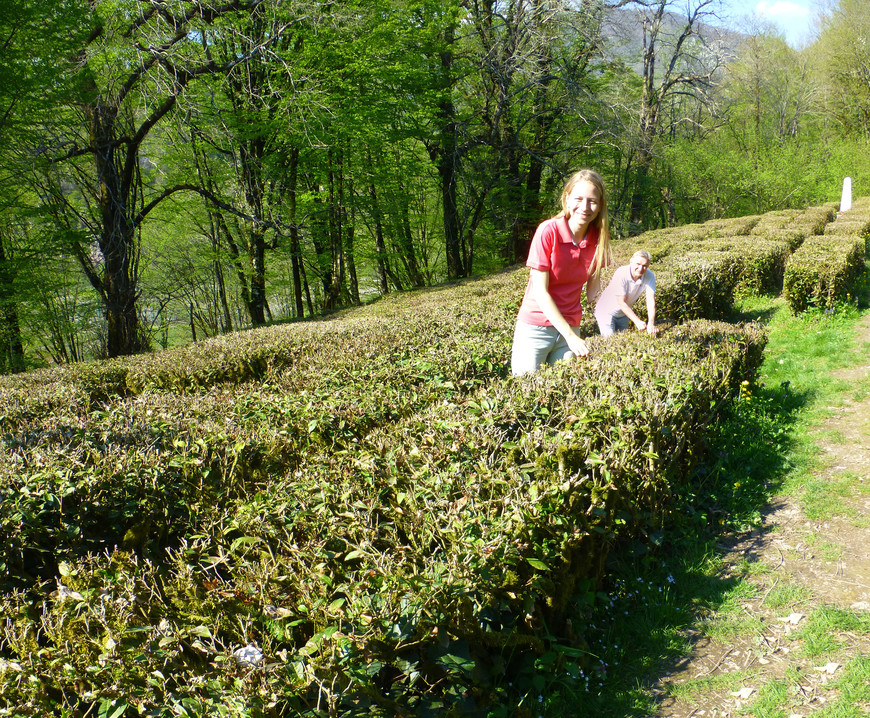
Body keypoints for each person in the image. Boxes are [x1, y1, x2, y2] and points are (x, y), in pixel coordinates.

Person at [510, 169, 612, 376]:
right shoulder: (548, 231)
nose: (585, 207)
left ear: (600, 205)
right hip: (535, 329)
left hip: (571, 329)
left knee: (564, 393)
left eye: (592, 201)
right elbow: (540, 292)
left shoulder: (598, 240)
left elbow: (593, 293)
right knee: (526, 392)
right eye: (579, 199)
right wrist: (570, 336)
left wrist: (623, 302)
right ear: (566, 198)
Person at [594, 250, 657, 337]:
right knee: (610, 341)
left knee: (624, 341)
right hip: (606, 311)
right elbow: (621, 302)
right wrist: (637, 321)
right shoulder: (621, 273)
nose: (640, 268)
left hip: (623, 314)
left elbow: (651, 301)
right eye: (638, 264)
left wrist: (651, 323)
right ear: (631, 262)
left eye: (644, 266)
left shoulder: (649, 276)